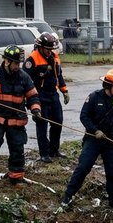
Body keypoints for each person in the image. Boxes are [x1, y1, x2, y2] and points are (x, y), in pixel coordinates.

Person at [60, 68, 113, 209]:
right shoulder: (94, 97)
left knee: (112, 172)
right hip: (93, 139)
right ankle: (68, 196)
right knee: (83, 167)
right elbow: (84, 116)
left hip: (111, 142)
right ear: (108, 86)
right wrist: (95, 130)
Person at [0, 45, 41, 186]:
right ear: (7, 61)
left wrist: (36, 110)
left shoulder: (24, 77)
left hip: (16, 120)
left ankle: (16, 177)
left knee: (17, 148)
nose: (18, 66)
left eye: (19, 63)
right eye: (16, 63)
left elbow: (33, 96)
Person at [23, 32, 70, 162]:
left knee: (57, 122)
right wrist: (29, 100)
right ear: (41, 47)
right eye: (47, 49)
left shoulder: (55, 57)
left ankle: (54, 150)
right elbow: (25, 80)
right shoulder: (32, 59)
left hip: (53, 95)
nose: (49, 52)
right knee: (42, 125)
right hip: (39, 96)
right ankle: (44, 153)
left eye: (51, 49)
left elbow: (58, 75)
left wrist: (64, 90)